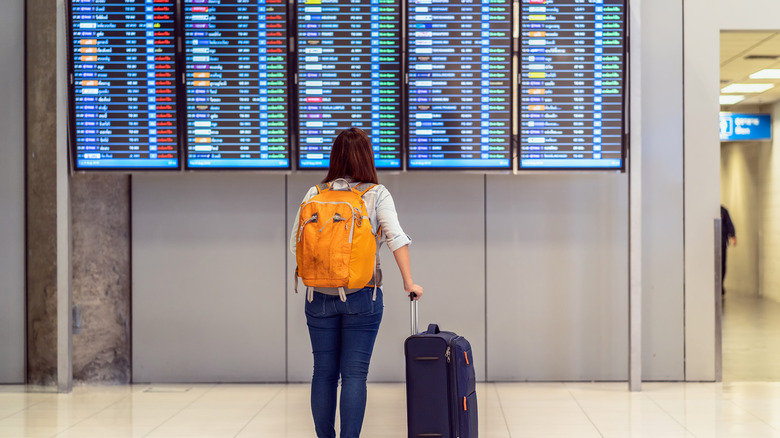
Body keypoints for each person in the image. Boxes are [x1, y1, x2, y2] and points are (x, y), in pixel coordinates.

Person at [289, 127, 424, 438]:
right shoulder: (375, 194)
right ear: (367, 157)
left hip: (317, 297)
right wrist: (409, 283)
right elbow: (395, 238)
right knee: (354, 376)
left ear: (335, 157)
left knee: (323, 374)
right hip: (363, 295)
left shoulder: (315, 194)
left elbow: (296, 241)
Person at [721, 205, 737, 295]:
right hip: (710, 246)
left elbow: (729, 224)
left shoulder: (723, 211)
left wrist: (733, 236)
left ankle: (721, 284)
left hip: (722, 244)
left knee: (722, 265)